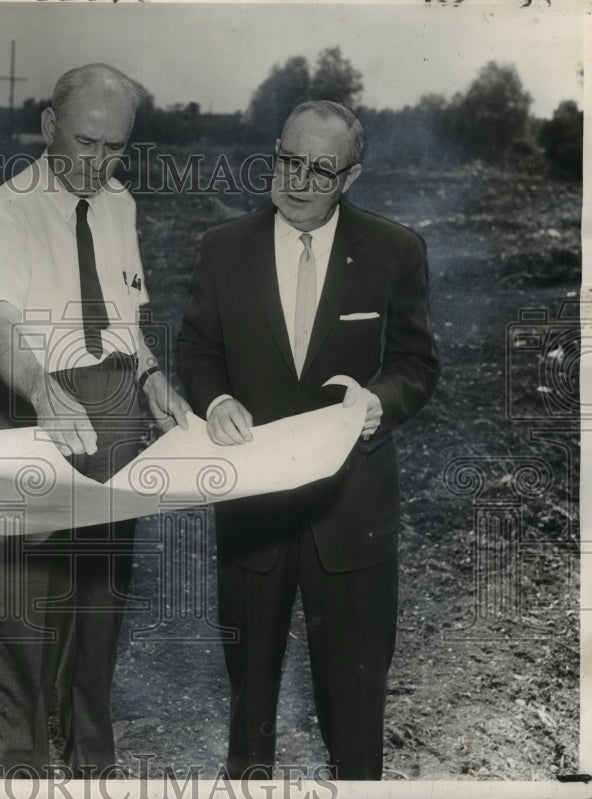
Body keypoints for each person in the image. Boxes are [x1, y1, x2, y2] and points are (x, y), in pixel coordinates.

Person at [176, 101, 439, 780]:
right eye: (288, 161)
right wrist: (217, 398)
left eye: (321, 170)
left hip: (351, 513)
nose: (297, 181)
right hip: (252, 509)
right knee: (250, 706)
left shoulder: (394, 250)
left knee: (354, 711)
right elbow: (198, 347)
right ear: (274, 151)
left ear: (351, 177)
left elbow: (417, 362)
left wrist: (379, 403)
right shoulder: (223, 248)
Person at [0, 62, 190, 774]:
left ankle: (92, 755)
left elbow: (127, 314)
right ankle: (24, 766)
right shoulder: (6, 211)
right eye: (88, 144)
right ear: (48, 127)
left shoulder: (120, 204)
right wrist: (42, 388)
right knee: (26, 610)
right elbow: (0, 319)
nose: (101, 163)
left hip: (116, 409)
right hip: (34, 405)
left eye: (116, 148)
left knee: (99, 596)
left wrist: (152, 377)